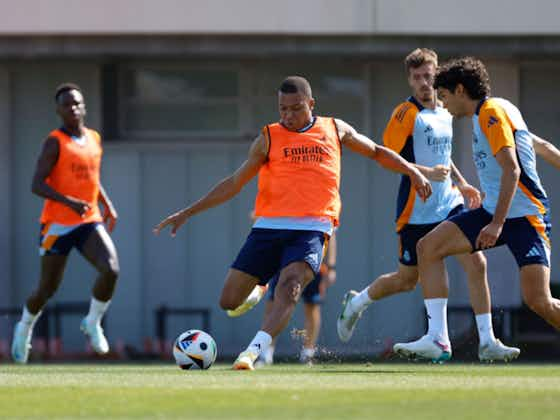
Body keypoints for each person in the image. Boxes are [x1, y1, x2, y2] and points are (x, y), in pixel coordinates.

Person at [154, 75, 432, 370]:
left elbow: (377, 152)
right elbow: (234, 183)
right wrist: (188, 211)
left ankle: (252, 352)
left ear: (311, 104)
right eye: (282, 109)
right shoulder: (268, 137)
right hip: (268, 227)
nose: (287, 116)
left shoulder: (335, 129)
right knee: (229, 301)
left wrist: (412, 171)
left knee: (290, 287)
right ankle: (259, 289)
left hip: (313, 226)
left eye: (295, 108)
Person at [337, 48, 520, 362]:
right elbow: (389, 159)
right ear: (409, 80)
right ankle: (357, 303)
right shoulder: (405, 114)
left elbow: (442, 158)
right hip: (415, 210)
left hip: (448, 204)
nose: (424, 82)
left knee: (477, 262)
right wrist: (423, 173)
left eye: (428, 75)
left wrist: (460, 182)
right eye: (417, 77)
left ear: (437, 75)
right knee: (406, 281)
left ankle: (486, 340)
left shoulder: (446, 111)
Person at [393, 56, 560, 361]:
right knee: (427, 247)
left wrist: (496, 224)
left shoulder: (490, 113)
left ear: (459, 90)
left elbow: (512, 170)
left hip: (524, 217)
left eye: (444, 96)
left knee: (539, 301)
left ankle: (452, 339)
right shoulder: (501, 108)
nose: (443, 104)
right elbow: (543, 147)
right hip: (494, 210)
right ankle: (438, 339)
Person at [11, 83, 120, 363]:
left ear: (84, 107)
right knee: (47, 288)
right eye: (67, 104)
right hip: (57, 224)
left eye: (77, 103)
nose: (73, 108)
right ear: (59, 110)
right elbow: (36, 184)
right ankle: (24, 327)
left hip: (88, 220)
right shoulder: (55, 142)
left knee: (110, 269)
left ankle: (92, 322)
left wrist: (106, 204)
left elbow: (92, 179)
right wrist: (69, 201)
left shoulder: (94, 138)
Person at [259, 232, 336, 365]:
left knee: (312, 306)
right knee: (274, 304)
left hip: (313, 259)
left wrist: (330, 266)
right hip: (285, 260)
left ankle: (308, 353)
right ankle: (266, 353)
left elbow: (331, 234)